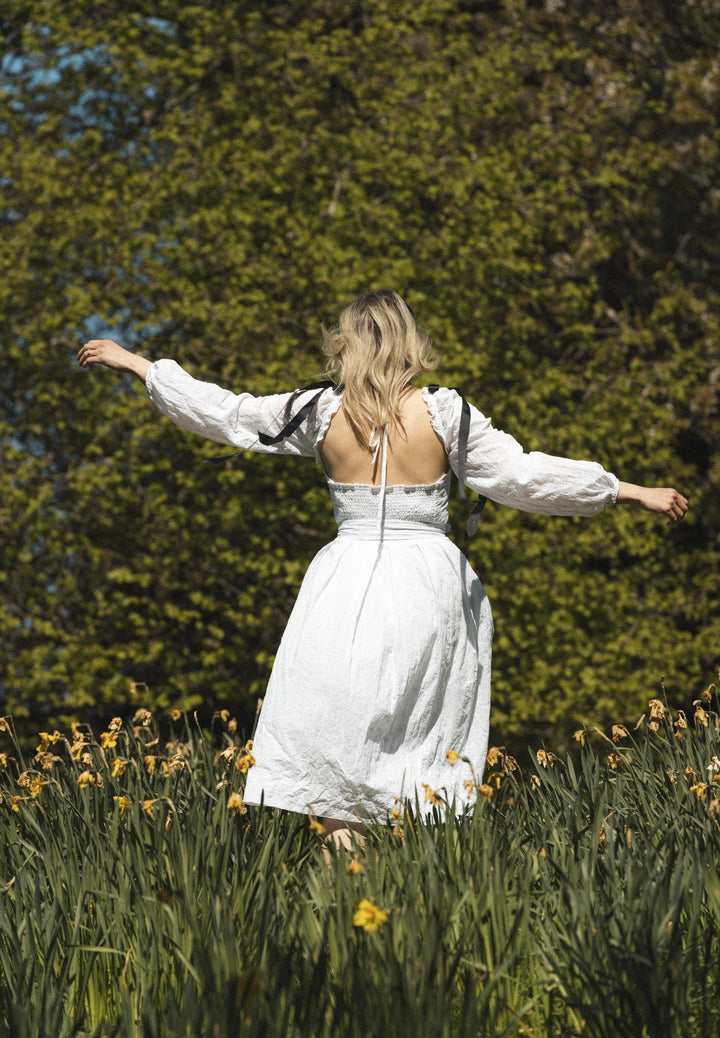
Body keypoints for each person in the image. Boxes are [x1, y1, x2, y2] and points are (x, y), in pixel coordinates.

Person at [77, 290, 688, 850]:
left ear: (347, 343)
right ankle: (397, 894)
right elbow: (523, 476)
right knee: (415, 734)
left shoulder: (318, 413)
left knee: (343, 732)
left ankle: (348, 893)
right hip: (428, 582)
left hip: (343, 581)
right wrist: (626, 490)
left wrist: (141, 365)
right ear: (410, 343)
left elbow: (228, 414)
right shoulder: (445, 415)